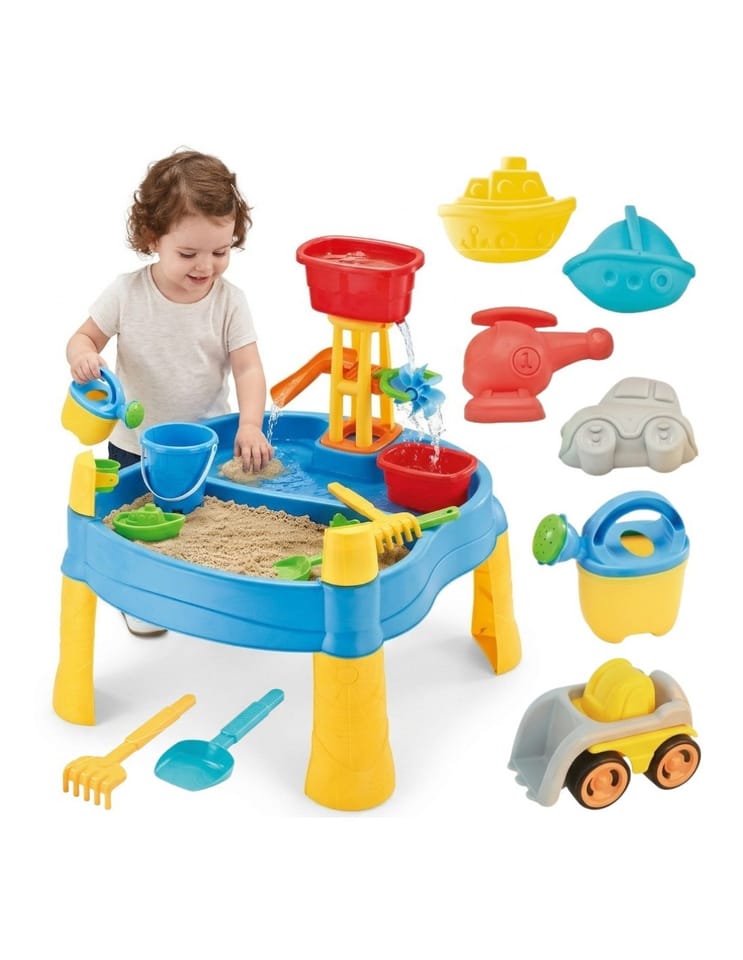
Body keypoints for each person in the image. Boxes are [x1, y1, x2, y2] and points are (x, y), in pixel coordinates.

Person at [66, 149, 273, 635]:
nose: (206, 266)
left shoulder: (230, 302)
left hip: (205, 445)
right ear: (152, 238)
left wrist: (250, 424)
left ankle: (204, 591)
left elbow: (248, 369)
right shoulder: (126, 293)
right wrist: (83, 357)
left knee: (201, 519)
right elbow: (82, 338)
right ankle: (141, 599)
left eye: (220, 252)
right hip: (133, 444)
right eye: (188, 253)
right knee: (135, 523)